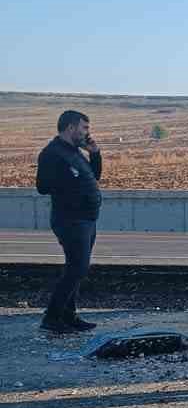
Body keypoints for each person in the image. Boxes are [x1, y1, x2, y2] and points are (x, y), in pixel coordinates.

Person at [36, 109, 103, 334]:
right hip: (70, 219)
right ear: (71, 127)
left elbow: (94, 177)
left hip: (86, 219)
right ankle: (52, 317)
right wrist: (69, 180)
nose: (87, 133)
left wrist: (95, 154)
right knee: (77, 268)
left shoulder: (75, 152)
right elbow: (42, 186)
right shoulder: (52, 153)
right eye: (84, 128)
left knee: (77, 268)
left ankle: (68, 315)